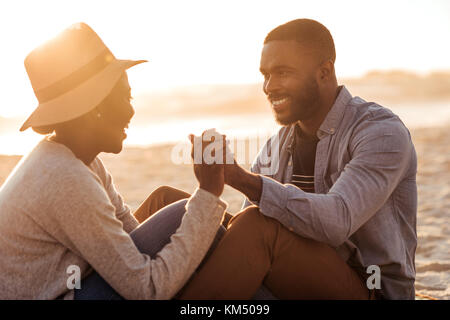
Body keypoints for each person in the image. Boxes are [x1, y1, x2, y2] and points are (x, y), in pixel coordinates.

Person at [164, 19, 418, 300]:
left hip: (371, 287)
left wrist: (241, 179)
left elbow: (336, 221)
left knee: (257, 226)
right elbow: (244, 227)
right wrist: (211, 184)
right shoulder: (278, 143)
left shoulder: (380, 132)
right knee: (170, 205)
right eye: (265, 75)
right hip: (291, 276)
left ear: (324, 72)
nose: (269, 87)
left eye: (282, 73)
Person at [0, 23, 230, 300]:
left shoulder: (76, 159)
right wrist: (208, 192)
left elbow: (132, 237)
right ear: (94, 108)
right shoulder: (64, 177)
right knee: (186, 213)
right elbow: (147, 290)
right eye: (125, 97)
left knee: (190, 221)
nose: (132, 110)